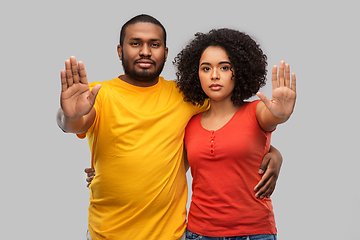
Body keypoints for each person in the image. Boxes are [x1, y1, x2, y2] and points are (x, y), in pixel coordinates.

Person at [57, 14, 283, 240]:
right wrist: (69, 114)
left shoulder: (185, 96)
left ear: (165, 53)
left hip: (171, 234)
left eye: (154, 45)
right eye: (135, 43)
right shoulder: (99, 94)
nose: (145, 51)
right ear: (120, 51)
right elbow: (72, 123)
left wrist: (272, 152)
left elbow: (230, 120)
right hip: (106, 234)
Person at [174, 28, 296, 240]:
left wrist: (281, 114)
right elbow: (169, 170)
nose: (214, 75)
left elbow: (271, 118)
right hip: (199, 233)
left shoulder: (255, 111)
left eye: (224, 67)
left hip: (254, 232)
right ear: (196, 74)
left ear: (238, 70)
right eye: (206, 68)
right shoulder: (190, 123)